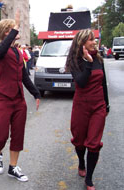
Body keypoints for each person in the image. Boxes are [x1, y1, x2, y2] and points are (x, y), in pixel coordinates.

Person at [0, 10, 40, 182]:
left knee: (18, 134)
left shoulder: (18, 52)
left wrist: (35, 93)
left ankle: (13, 167)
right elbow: (0, 52)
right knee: (2, 133)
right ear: (7, 32)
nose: (17, 31)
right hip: (3, 98)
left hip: (18, 99)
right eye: (14, 29)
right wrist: (15, 27)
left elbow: (24, 76)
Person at [65, 29, 110, 190]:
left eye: (94, 39)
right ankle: (81, 162)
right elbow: (81, 82)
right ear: (82, 43)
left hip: (98, 105)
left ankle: (89, 178)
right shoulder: (75, 61)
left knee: (94, 143)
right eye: (90, 39)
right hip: (81, 106)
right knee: (79, 140)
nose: (94, 41)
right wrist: (88, 63)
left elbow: (103, 83)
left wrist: (107, 104)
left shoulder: (99, 58)